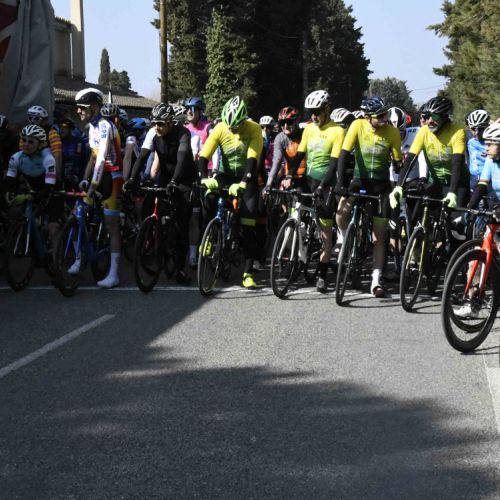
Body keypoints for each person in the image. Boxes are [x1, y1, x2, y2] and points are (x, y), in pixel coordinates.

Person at [336, 96, 402, 297]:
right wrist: (340, 183)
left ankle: (375, 280)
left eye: (385, 114)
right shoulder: (357, 126)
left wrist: (398, 166)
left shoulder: (392, 132)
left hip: (381, 186)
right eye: (380, 116)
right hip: (359, 180)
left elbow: (397, 161)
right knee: (340, 214)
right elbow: (343, 154)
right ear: (367, 117)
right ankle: (346, 240)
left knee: (378, 237)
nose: (384, 119)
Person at [283, 90, 347, 293]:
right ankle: (296, 253)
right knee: (295, 211)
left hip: (325, 182)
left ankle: (322, 274)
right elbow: (299, 155)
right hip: (308, 179)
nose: (313, 116)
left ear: (327, 109)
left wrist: (322, 186)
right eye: (311, 112)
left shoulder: (337, 131)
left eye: (317, 112)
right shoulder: (309, 129)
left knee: (326, 232)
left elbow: (334, 164)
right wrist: (289, 175)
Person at [198, 95, 263, 289]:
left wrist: (243, 183)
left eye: (236, 127)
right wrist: (204, 177)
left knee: (249, 224)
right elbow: (203, 156)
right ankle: (209, 238)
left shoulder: (254, 129)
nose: (232, 130)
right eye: (230, 127)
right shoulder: (220, 128)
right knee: (208, 198)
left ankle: (248, 273)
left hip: (247, 176)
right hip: (225, 175)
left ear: (243, 121)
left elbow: (252, 160)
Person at [74, 87, 123, 288]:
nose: (78, 111)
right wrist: (85, 179)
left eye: (82, 107)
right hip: (99, 174)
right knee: (78, 213)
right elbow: (93, 158)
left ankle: (114, 274)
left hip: (113, 177)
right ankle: (79, 258)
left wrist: (93, 184)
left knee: (111, 225)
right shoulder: (91, 128)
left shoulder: (105, 126)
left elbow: (102, 158)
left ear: (94, 107)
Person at [145, 103, 196, 283]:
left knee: (181, 225)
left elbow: (181, 158)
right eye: (154, 123)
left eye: (160, 123)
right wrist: (133, 179)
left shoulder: (183, 133)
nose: (156, 127)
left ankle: (180, 269)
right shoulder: (155, 136)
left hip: (184, 179)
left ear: (169, 122)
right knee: (148, 204)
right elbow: (143, 156)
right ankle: (153, 242)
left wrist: (175, 181)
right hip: (166, 177)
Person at [391, 96, 468, 211]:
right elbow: (409, 160)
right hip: (437, 182)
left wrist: (452, 192)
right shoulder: (424, 131)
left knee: (454, 219)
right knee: (423, 211)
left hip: (458, 182)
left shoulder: (457, 131)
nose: (430, 121)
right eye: (427, 116)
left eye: (435, 116)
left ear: (445, 117)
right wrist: (398, 186)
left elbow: (457, 163)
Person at [5, 125, 58, 261]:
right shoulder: (16, 157)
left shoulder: (48, 158)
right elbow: (9, 181)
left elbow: (49, 186)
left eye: (31, 141)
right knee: (16, 212)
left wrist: (34, 196)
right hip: (33, 188)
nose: (26, 144)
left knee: (52, 227)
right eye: (24, 140)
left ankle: (56, 262)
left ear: (40, 144)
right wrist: (9, 193)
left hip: (52, 189)